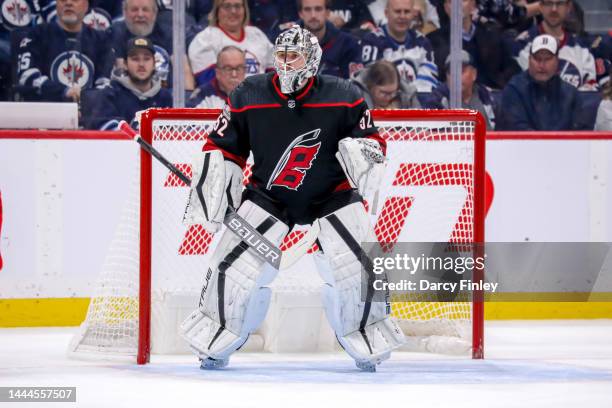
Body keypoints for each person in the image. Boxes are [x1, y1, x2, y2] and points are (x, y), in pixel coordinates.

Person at [180, 25, 405, 372]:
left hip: (332, 194)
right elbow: (222, 145)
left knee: (359, 265)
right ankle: (219, 332)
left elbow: (374, 141)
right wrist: (217, 173)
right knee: (232, 264)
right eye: (281, 55)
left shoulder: (345, 95)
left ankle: (364, 331)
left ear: (312, 59)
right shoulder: (248, 94)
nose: (286, 63)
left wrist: (364, 153)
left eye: (294, 55)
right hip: (269, 195)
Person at [14, 0, 112, 102]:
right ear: (56, 4)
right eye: (62, 0)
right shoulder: (36, 35)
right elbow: (27, 76)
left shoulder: (102, 41)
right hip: (46, 110)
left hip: (89, 113)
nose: (68, 3)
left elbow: (105, 83)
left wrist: (86, 100)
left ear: (86, 5)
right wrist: (63, 91)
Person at [498, 34, 588, 131]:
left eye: (547, 59)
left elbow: (581, 132)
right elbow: (516, 130)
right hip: (524, 145)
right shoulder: (514, 89)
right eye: (537, 58)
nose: (542, 65)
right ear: (529, 59)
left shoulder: (571, 94)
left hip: (562, 145)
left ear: (557, 61)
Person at [427, 0, 520, 90]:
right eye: (451, 2)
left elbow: (512, 67)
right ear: (445, 7)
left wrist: (498, 86)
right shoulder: (433, 41)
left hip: (494, 96)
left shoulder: (491, 34)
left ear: (473, 5)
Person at [84, 37, 171, 130]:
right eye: (135, 59)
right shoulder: (111, 94)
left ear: (154, 64)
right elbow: (103, 128)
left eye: (146, 59)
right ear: (125, 64)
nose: (141, 64)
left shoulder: (165, 98)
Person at [510, 0, 599, 91]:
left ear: (568, 7)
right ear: (540, 6)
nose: (554, 9)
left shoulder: (582, 49)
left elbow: (590, 91)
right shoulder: (522, 45)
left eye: (559, 3)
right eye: (548, 3)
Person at [110, 0, 195, 90]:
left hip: (164, 99)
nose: (140, 15)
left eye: (145, 10)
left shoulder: (170, 35)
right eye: (134, 10)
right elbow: (121, 76)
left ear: (155, 13)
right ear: (125, 12)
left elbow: (185, 77)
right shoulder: (116, 34)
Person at [188, 0, 274, 87]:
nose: (233, 11)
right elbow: (211, 85)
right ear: (217, 10)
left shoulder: (257, 34)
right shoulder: (204, 40)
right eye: (227, 6)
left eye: (237, 6)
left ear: (245, 10)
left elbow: (275, 74)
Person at [360, 0, 438, 92]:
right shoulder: (372, 41)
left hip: (417, 101)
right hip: (384, 102)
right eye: (397, 11)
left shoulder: (423, 42)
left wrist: (410, 97)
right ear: (386, 13)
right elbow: (371, 82)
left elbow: (428, 83)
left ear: (413, 14)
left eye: (407, 12)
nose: (402, 16)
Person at [426, 51, 496, 129]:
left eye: (461, 71)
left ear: (474, 74)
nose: (456, 76)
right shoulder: (435, 102)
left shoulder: (487, 98)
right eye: (451, 72)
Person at [298, 0, 362, 78]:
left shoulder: (348, 44)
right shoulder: (284, 42)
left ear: (327, 13)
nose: (313, 15)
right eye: (307, 10)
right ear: (300, 14)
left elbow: (354, 85)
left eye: (318, 9)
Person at [352, 59, 420, 109]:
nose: (389, 97)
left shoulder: (407, 94)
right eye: (384, 93)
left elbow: (420, 125)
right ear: (371, 86)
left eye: (393, 92)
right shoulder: (354, 95)